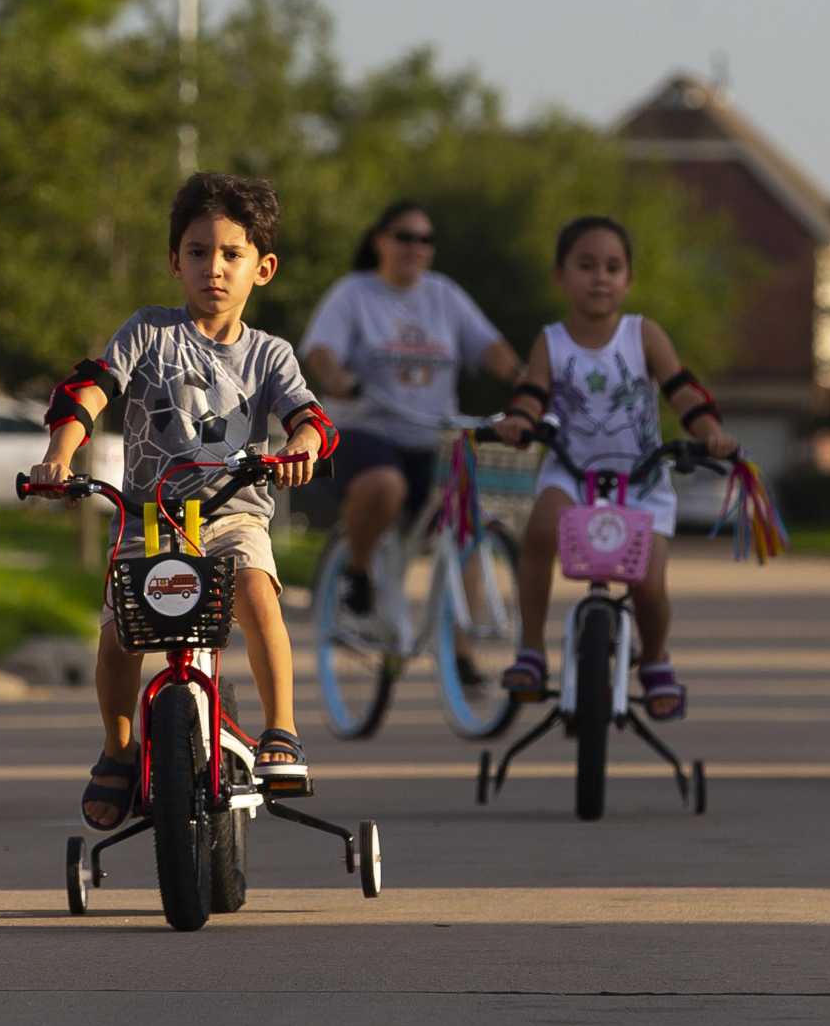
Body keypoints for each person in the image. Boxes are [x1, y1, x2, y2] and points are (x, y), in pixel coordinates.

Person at [27, 172, 338, 833]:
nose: (214, 269)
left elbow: (310, 416)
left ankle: (281, 728)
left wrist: (303, 444)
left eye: (232, 254)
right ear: (175, 261)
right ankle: (117, 749)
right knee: (118, 635)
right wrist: (61, 454)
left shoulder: (270, 355)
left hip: (232, 517)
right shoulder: (148, 333)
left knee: (257, 594)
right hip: (151, 520)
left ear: (264, 267)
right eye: (198, 252)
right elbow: (90, 387)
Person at [493, 215, 738, 720]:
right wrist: (519, 421)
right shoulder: (551, 341)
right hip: (573, 473)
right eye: (586, 266)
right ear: (560, 276)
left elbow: (683, 389)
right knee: (540, 529)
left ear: (628, 279)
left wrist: (709, 430)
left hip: (642, 478)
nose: (600, 277)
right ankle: (533, 651)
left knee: (649, 581)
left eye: (612, 267)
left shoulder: (643, 334)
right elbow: (531, 395)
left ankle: (655, 659)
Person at [300, 200, 521, 615]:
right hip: (366, 430)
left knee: (466, 523)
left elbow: (491, 348)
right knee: (385, 485)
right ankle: (358, 572)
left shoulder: (445, 295)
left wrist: (527, 383)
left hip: (431, 439)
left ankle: (463, 657)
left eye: (425, 239)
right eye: (404, 236)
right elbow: (321, 351)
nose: (415, 247)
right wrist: (339, 380)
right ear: (379, 240)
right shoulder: (354, 293)